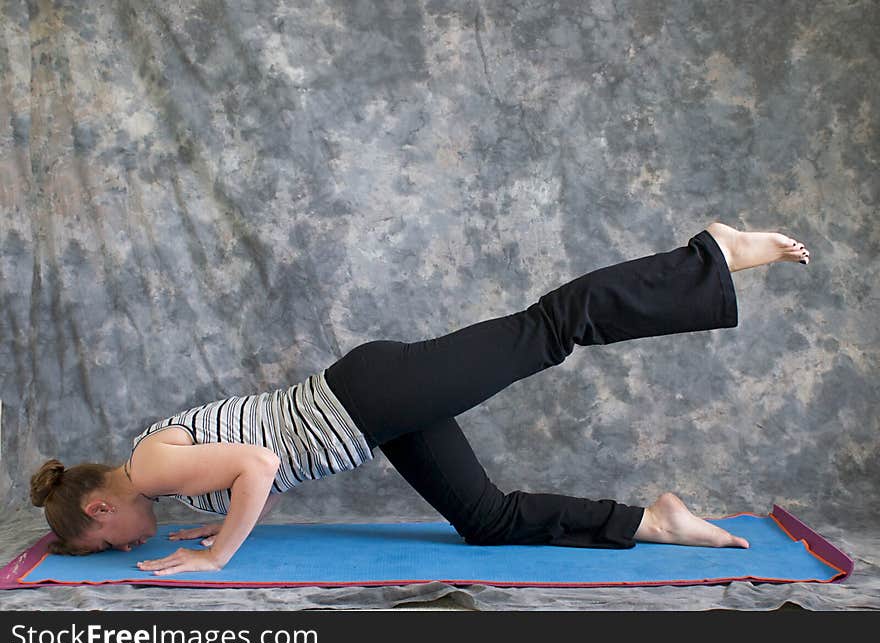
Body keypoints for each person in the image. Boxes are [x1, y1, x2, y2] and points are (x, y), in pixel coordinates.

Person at [29, 222, 811, 576]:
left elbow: (261, 461)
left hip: (368, 399)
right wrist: (212, 522)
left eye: (108, 542)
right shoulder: (153, 455)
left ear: (99, 508)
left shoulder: (151, 468)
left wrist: (213, 554)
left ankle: (709, 256)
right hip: (373, 406)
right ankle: (654, 520)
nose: (128, 545)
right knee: (487, 520)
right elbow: (250, 452)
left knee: (550, 327)